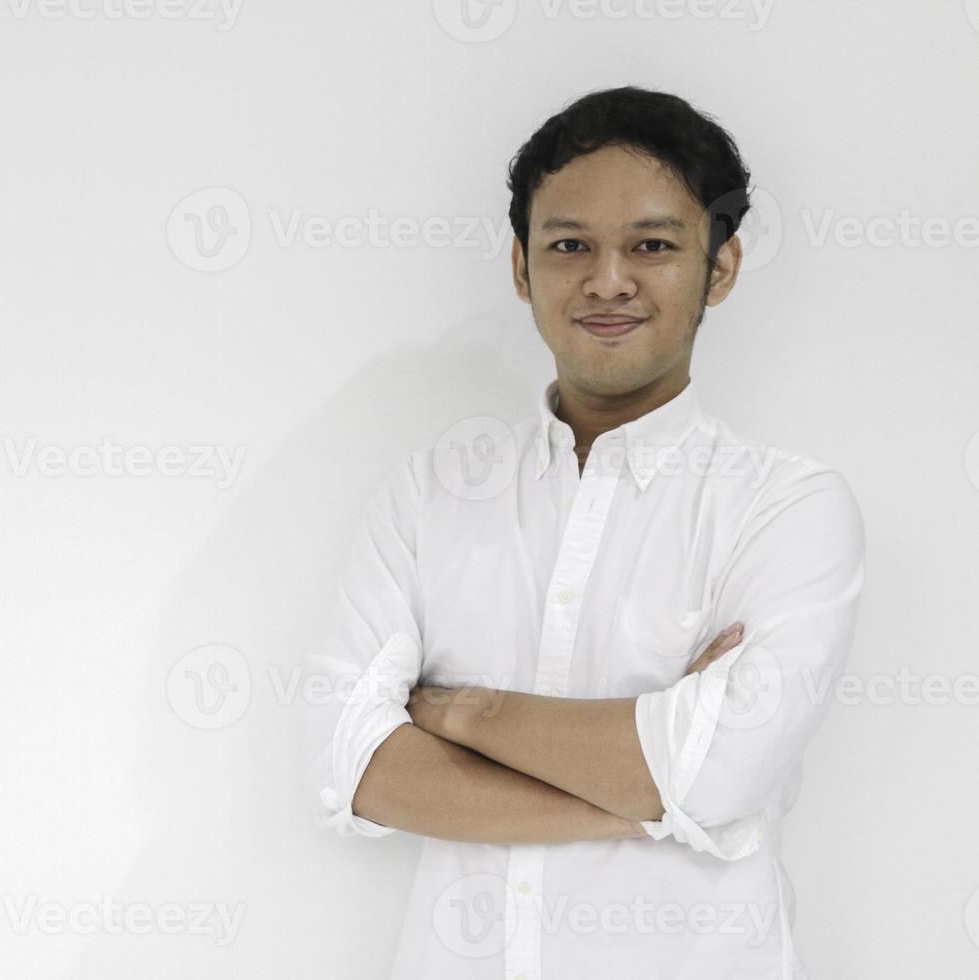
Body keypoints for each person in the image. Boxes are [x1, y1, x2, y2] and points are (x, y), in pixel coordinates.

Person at [304, 85, 865, 978]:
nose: (609, 280)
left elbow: (720, 772)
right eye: (571, 246)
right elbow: (352, 766)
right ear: (524, 268)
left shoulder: (786, 509)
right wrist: (649, 793)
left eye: (652, 245)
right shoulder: (431, 493)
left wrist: (460, 711)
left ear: (719, 268)